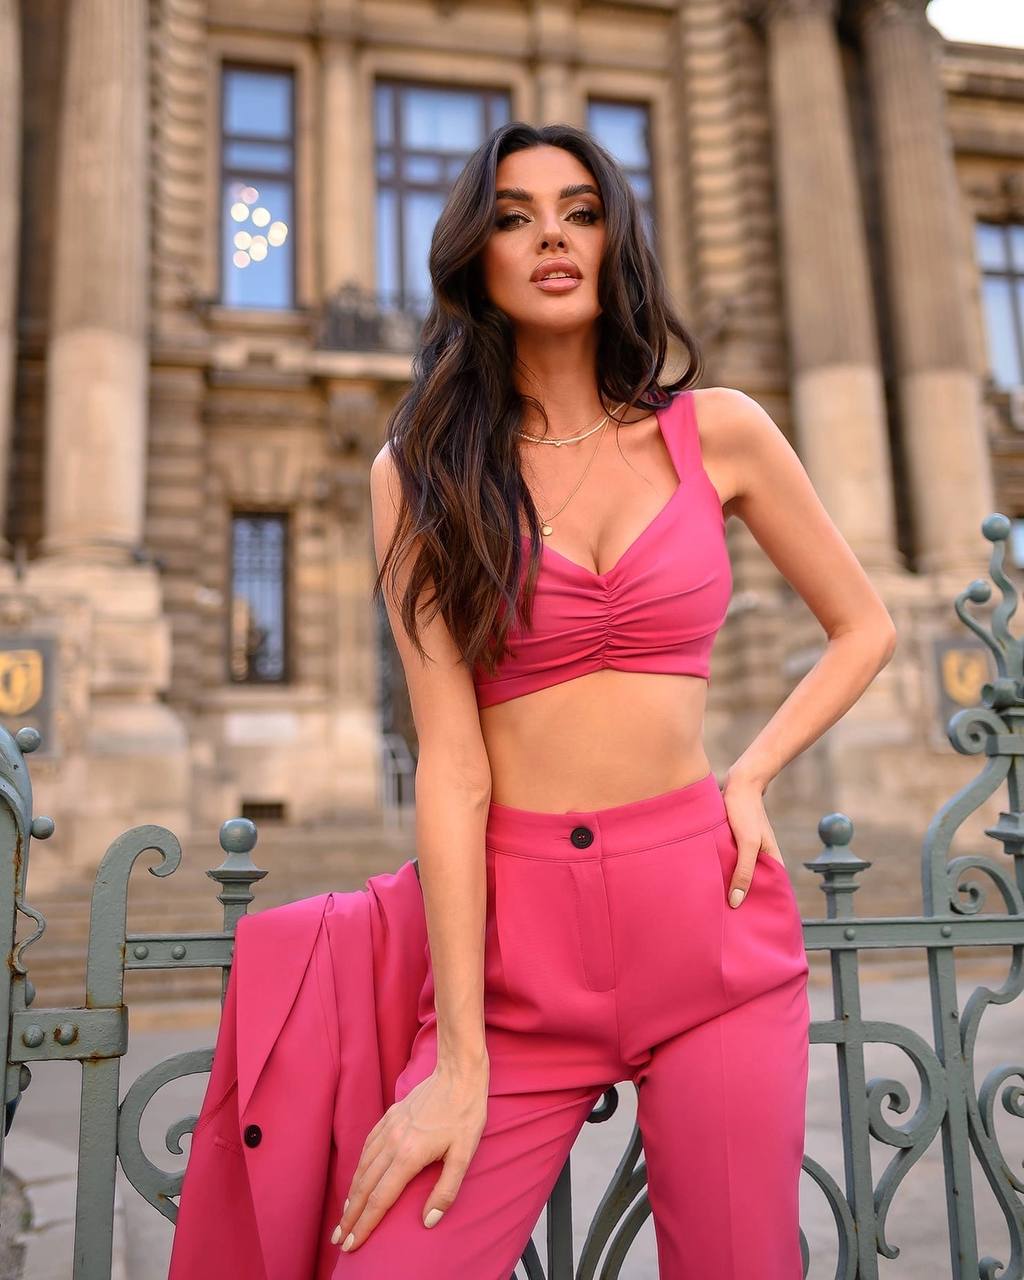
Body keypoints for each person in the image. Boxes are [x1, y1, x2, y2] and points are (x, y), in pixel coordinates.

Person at [328, 120, 897, 1279]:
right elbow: (452, 761)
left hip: (709, 925)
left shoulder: (718, 429)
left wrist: (750, 770)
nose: (551, 236)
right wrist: (462, 1061)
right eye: (514, 213)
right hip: (518, 946)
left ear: (614, 241)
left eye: (580, 211)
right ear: (473, 253)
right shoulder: (419, 470)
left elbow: (864, 625)